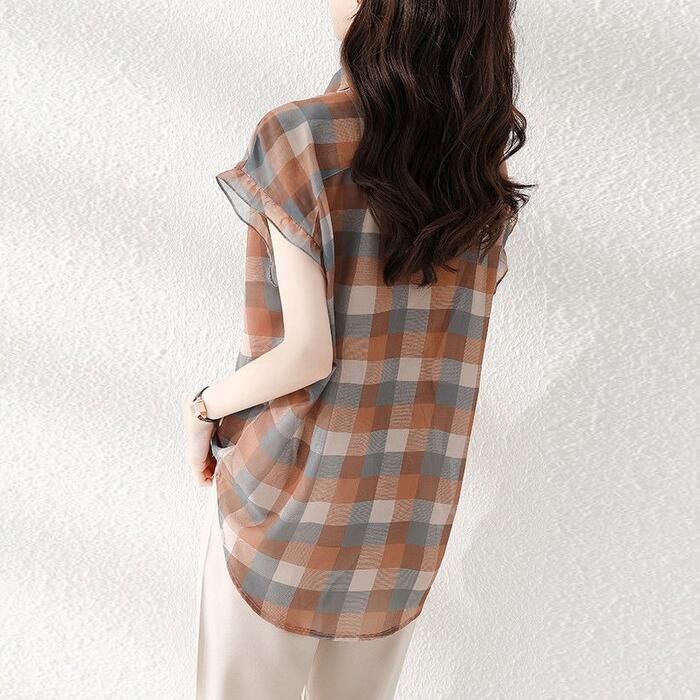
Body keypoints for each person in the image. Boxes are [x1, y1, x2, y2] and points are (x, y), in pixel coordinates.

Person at [182, 1, 531, 698]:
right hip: (404, 514)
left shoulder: (299, 136)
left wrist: (202, 407)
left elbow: (307, 355)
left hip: (285, 505)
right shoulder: (475, 158)